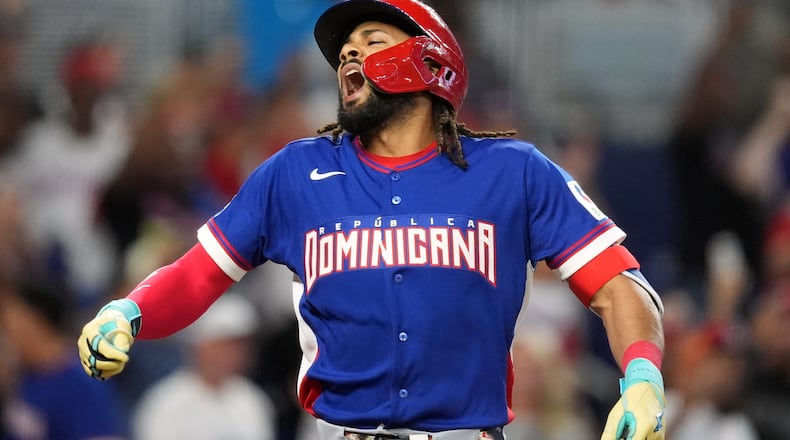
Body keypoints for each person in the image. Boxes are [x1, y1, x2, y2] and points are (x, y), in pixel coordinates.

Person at [77, 1, 666, 439]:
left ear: (433, 60)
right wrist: (129, 311)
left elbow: (619, 285)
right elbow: (199, 273)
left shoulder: (513, 171)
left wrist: (642, 376)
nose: (349, 54)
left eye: (372, 39)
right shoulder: (294, 171)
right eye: (345, 49)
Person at [131, 293, 277, 440]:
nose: (235, 353)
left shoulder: (253, 399)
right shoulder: (166, 401)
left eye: (240, 345)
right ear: (200, 346)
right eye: (225, 344)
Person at [1, 276, 126, 440]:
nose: (6, 335)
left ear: (34, 321)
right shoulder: (18, 380)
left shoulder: (82, 380)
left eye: (7, 324)